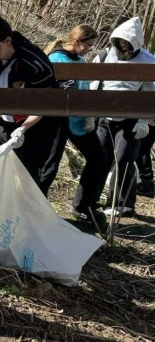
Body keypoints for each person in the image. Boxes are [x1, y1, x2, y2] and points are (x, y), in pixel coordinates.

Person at [0, 16, 59, 193]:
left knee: (27, 176)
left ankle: (26, 216)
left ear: (7, 41)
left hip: (34, 127)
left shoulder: (33, 62)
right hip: (0, 123)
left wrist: (24, 129)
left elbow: (45, 102)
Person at [42, 25, 110, 220]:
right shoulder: (56, 59)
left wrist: (88, 115)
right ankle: (35, 208)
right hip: (56, 119)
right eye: (88, 44)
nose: (90, 49)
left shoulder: (80, 60)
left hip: (78, 119)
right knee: (49, 165)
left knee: (99, 158)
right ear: (78, 41)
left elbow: (83, 90)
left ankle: (83, 205)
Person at [90, 16, 155, 218]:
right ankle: (90, 200)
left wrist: (145, 120)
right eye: (121, 44)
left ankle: (122, 204)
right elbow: (92, 84)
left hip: (131, 120)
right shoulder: (105, 56)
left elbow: (150, 94)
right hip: (104, 117)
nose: (123, 48)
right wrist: (89, 113)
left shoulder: (148, 62)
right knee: (99, 159)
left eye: (127, 45)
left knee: (124, 160)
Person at [135, 123, 155, 197]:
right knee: (143, 150)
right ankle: (146, 182)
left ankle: (146, 184)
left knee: (142, 150)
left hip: (148, 122)